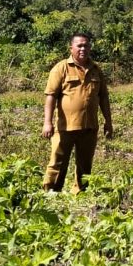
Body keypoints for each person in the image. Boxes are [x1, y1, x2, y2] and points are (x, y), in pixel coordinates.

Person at [42, 32, 113, 192]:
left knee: (85, 164)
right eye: (79, 45)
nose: (83, 48)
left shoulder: (96, 69)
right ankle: (50, 192)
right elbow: (51, 96)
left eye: (86, 45)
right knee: (57, 162)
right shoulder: (61, 68)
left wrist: (108, 122)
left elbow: (103, 98)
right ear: (71, 48)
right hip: (65, 127)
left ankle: (80, 193)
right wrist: (47, 122)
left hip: (89, 127)